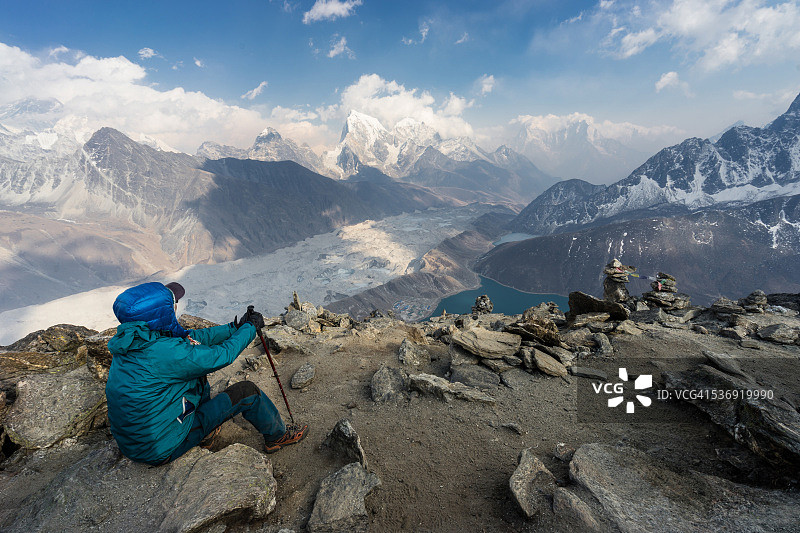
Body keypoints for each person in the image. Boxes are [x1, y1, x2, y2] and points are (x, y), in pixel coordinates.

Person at [105, 281, 307, 465]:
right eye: (172, 304)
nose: (176, 307)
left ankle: (205, 433)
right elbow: (221, 355)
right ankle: (277, 436)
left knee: (194, 377)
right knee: (248, 392)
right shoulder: (164, 352)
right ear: (159, 314)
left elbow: (191, 338)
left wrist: (234, 327)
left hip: (138, 444)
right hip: (162, 448)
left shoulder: (134, 341)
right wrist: (250, 329)